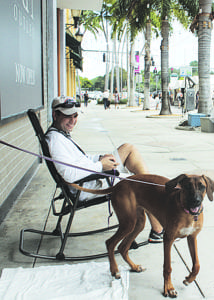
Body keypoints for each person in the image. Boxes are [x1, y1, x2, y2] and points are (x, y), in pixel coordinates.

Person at [45, 96, 163, 243]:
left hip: (93, 175)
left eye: (75, 116)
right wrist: (101, 166)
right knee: (143, 183)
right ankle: (158, 229)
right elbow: (69, 174)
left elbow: (80, 159)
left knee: (128, 149)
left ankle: (154, 205)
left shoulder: (60, 134)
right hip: (87, 186)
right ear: (55, 115)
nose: (72, 120)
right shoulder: (55, 140)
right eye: (67, 116)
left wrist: (100, 157)